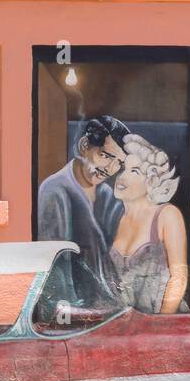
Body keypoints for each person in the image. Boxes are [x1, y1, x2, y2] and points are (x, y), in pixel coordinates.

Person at [36, 115, 130, 299]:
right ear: (84, 146)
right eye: (105, 156)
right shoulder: (54, 191)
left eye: (119, 163)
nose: (110, 169)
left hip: (104, 303)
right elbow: (55, 264)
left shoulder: (107, 196)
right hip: (71, 306)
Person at [105, 133, 189, 313]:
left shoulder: (167, 215)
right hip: (121, 328)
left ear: (152, 181)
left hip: (160, 326)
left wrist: (161, 325)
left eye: (134, 171)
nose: (122, 176)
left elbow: (179, 277)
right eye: (123, 168)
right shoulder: (113, 217)